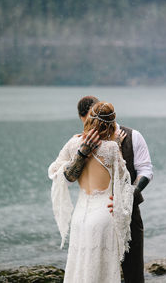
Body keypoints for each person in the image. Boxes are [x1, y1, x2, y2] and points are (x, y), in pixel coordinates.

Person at [48, 101, 135, 283]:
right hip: (104, 215)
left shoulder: (74, 143)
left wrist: (79, 156)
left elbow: (54, 171)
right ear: (111, 124)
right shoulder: (111, 147)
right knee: (102, 271)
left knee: (80, 267)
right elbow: (124, 182)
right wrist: (117, 144)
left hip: (79, 217)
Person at [71, 95, 153, 283]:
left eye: (94, 123)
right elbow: (72, 177)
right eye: (87, 124)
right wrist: (81, 153)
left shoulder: (133, 136)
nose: (92, 129)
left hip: (129, 215)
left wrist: (130, 193)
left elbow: (146, 170)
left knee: (133, 274)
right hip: (95, 221)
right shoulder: (82, 142)